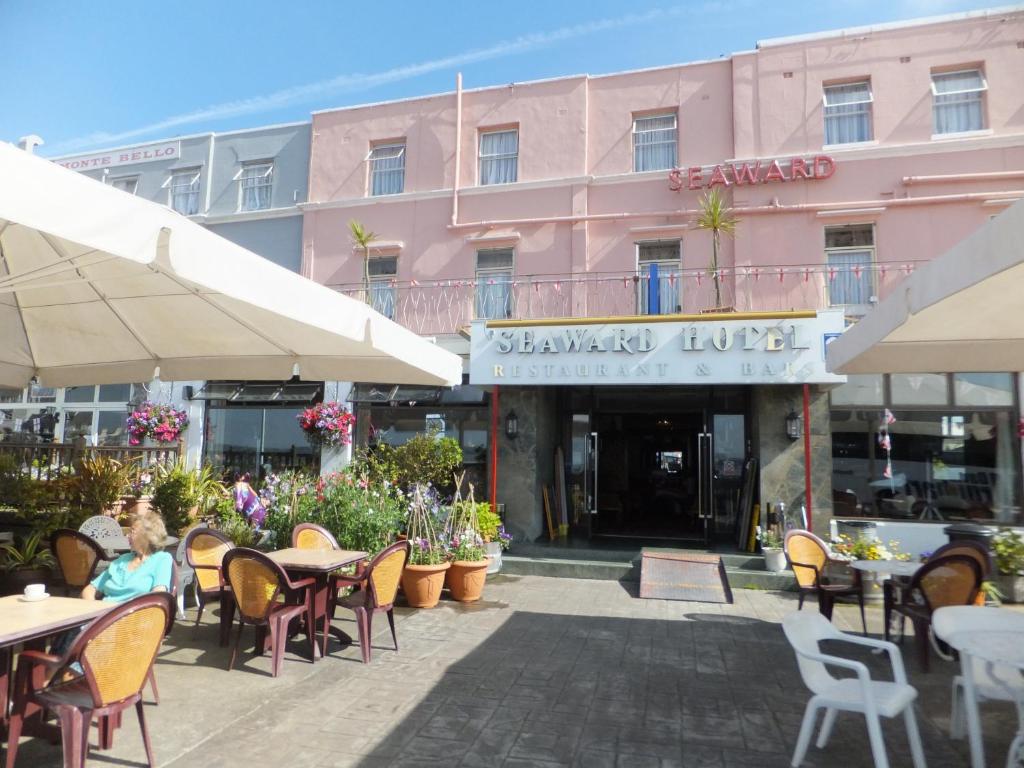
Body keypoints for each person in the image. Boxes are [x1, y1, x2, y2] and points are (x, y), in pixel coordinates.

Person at [51, 509, 173, 660]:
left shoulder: (161, 559)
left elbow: (159, 597)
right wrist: (94, 613)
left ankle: (60, 669)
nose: (127, 536)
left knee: (74, 641)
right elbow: (89, 590)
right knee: (68, 630)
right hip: (102, 618)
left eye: (132, 531)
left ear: (147, 536)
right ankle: (58, 668)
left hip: (128, 623)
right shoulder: (121, 561)